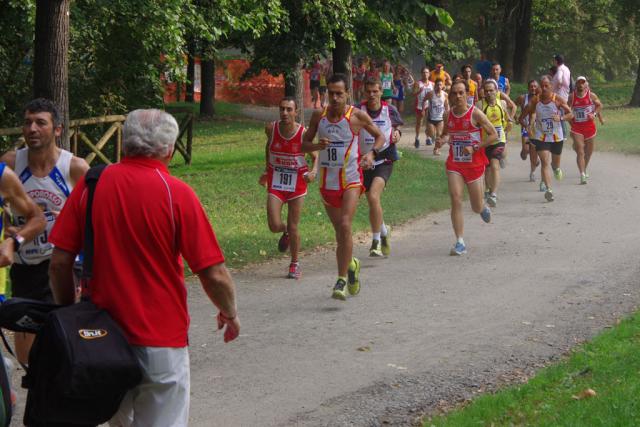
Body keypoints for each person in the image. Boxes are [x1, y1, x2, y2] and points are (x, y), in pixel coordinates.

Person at [48, 109, 240, 426]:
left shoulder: (92, 185)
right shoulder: (178, 194)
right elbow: (214, 274)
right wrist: (229, 312)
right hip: (161, 341)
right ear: (168, 149)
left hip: (101, 338)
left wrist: (67, 313)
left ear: (125, 142)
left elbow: (59, 263)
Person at [0, 98, 89, 364]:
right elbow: (5, 208)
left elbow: (93, 218)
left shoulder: (74, 167)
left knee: (63, 338)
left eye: (41, 122)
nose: (32, 129)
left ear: (57, 129)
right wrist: (9, 230)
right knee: (26, 353)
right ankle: (37, 393)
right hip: (25, 263)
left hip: (63, 261)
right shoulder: (11, 162)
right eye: (27, 123)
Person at [301, 73, 384, 300]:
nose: (335, 97)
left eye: (339, 93)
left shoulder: (356, 116)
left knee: (346, 225)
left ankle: (341, 280)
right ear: (327, 93)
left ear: (347, 94)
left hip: (351, 181)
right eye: (331, 93)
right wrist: (317, 145)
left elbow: (380, 137)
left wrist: (371, 154)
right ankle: (351, 264)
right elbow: (303, 144)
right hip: (328, 184)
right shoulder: (319, 116)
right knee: (341, 234)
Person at [258, 97, 318, 279]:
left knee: (294, 225)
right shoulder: (271, 129)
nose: (284, 113)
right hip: (276, 181)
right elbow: (268, 147)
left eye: (288, 110)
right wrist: (266, 170)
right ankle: (285, 231)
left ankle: (294, 263)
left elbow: (316, 156)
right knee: (273, 224)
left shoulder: (302, 133)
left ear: (296, 112)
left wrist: (314, 172)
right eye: (282, 109)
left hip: (297, 184)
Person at [437, 80, 496, 255]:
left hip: (474, 164)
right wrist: (441, 140)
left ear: (468, 94)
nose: (458, 96)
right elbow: (447, 134)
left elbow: (493, 135)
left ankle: (483, 207)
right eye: (454, 93)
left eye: (461, 93)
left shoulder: (475, 114)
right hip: (455, 163)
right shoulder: (448, 115)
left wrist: (476, 147)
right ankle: (460, 241)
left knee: (476, 207)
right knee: (455, 198)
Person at [357, 77, 403, 257]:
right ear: (364, 92)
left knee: (374, 196)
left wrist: (397, 133)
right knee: (372, 202)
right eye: (368, 92)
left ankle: (375, 242)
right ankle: (384, 232)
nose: (372, 95)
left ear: (381, 92)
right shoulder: (358, 110)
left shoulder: (389, 110)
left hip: (384, 160)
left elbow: (397, 128)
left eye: (375, 91)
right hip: (364, 162)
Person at [519, 75, 573, 201]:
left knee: (554, 165)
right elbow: (521, 117)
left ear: (551, 87)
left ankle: (556, 169)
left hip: (556, 137)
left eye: (546, 86)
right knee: (544, 162)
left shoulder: (558, 99)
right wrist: (527, 126)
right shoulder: (535, 101)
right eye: (541, 86)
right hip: (541, 136)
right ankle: (549, 190)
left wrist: (561, 118)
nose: (543, 88)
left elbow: (571, 114)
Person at [478, 79, 510, 207]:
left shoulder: (502, 103)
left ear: (496, 91)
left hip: (499, 140)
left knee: (494, 164)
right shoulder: (479, 105)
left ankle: (494, 194)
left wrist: (509, 125)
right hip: (485, 142)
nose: (489, 93)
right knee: (487, 169)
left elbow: (507, 118)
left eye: (491, 90)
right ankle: (488, 190)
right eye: (486, 91)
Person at [568, 76, 604, 184]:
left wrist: (594, 114)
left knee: (588, 152)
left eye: (582, 83)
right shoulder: (572, 97)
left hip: (590, 127)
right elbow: (567, 110)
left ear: (585, 84)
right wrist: (571, 122)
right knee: (580, 150)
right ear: (576, 84)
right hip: (577, 127)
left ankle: (584, 168)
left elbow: (599, 105)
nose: (580, 85)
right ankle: (582, 174)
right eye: (579, 82)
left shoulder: (591, 95)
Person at [515, 79, 541, 182]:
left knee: (533, 150)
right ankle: (526, 153)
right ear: (528, 87)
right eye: (531, 86)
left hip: (537, 129)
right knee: (525, 151)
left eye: (535, 86)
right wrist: (516, 117)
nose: (533, 88)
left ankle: (532, 172)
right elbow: (512, 106)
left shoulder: (540, 99)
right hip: (525, 127)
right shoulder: (522, 98)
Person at [427, 78, 449, 156]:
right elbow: (424, 100)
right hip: (431, 118)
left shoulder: (445, 95)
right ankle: (429, 133)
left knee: (439, 134)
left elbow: (446, 106)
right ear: (435, 85)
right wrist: (423, 109)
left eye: (440, 84)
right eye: (438, 84)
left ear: (442, 85)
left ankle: (436, 149)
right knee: (432, 135)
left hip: (440, 119)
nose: (439, 86)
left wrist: (448, 114)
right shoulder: (430, 94)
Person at [413, 66, 434, 148]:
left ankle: (428, 138)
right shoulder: (417, 83)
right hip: (419, 105)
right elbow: (413, 94)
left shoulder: (432, 84)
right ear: (421, 74)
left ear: (429, 74)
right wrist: (419, 91)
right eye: (424, 72)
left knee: (429, 122)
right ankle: (417, 138)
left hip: (429, 105)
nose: (425, 74)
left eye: (427, 72)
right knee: (419, 123)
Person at [552, 54, 572, 140]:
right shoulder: (566, 68)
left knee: (561, 113)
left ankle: (563, 134)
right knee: (562, 112)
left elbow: (559, 79)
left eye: (554, 60)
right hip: (565, 93)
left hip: (559, 94)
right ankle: (562, 132)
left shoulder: (560, 69)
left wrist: (559, 84)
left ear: (556, 61)